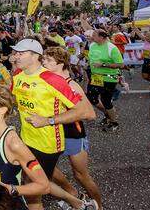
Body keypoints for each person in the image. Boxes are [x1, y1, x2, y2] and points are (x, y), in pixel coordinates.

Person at [10, 39, 94, 210]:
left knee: (34, 192)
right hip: (26, 139)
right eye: (15, 53)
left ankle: (78, 202)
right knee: (36, 181)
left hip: (48, 144)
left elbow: (86, 112)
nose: (15, 56)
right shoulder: (18, 75)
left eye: (20, 53)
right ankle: (76, 201)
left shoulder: (52, 79)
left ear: (35, 56)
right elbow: (14, 100)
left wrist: (47, 120)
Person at [42, 47, 102, 210]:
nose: (43, 62)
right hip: (53, 133)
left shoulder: (71, 85)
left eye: (48, 60)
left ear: (61, 64)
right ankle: (72, 192)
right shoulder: (50, 81)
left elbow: (90, 114)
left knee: (81, 175)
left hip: (73, 134)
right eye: (44, 59)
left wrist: (57, 117)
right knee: (47, 168)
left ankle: (99, 205)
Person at [0, 84, 50, 207]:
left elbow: (44, 186)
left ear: (2, 109)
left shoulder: (13, 143)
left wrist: (11, 189)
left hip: (9, 204)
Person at [86, 29, 125, 131]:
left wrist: (103, 64)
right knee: (91, 97)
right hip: (95, 77)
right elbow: (91, 58)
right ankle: (107, 114)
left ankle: (114, 122)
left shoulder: (112, 48)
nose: (92, 37)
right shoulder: (92, 45)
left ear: (102, 37)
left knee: (106, 101)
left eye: (94, 35)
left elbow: (121, 65)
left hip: (109, 77)